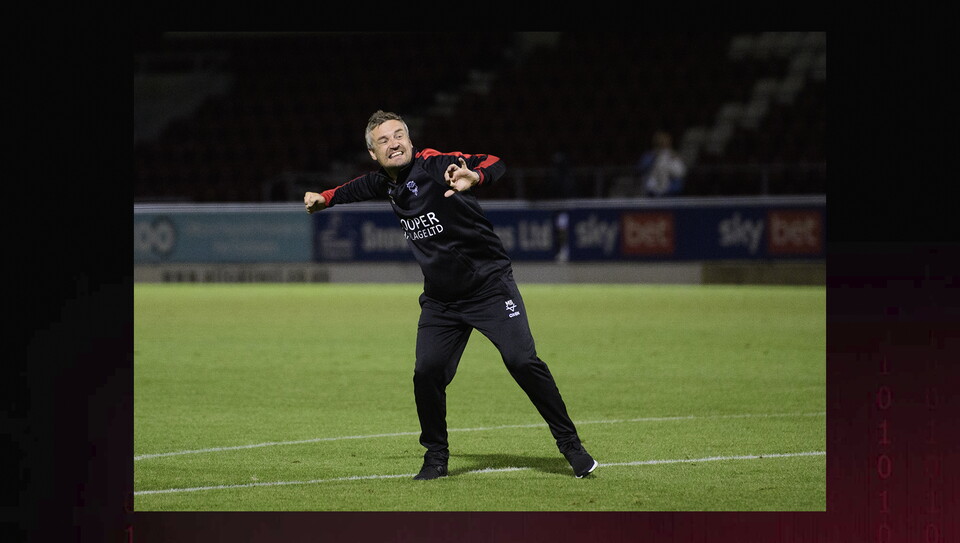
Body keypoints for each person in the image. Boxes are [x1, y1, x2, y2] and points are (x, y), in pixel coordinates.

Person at [304, 110, 598, 480]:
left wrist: (475, 175)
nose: (394, 142)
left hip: (490, 287)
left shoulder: (433, 164)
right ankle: (436, 458)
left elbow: (494, 162)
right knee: (426, 372)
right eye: (384, 140)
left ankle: (570, 444)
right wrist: (325, 199)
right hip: (442, 301)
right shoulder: (386, 182)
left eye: (399, 135)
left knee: (521, 361)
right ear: (374, 153)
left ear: (410, 140)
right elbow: (355, 188)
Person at [637, 130, 686, 197]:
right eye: (660, 142)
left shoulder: (674, 156)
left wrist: (673, 158)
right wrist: (655, 157)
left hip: (671, 191)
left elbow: (680, 172)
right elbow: (641, 169)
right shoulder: (649, 156)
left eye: (664, 142)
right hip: (652, 191)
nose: (663, 144)